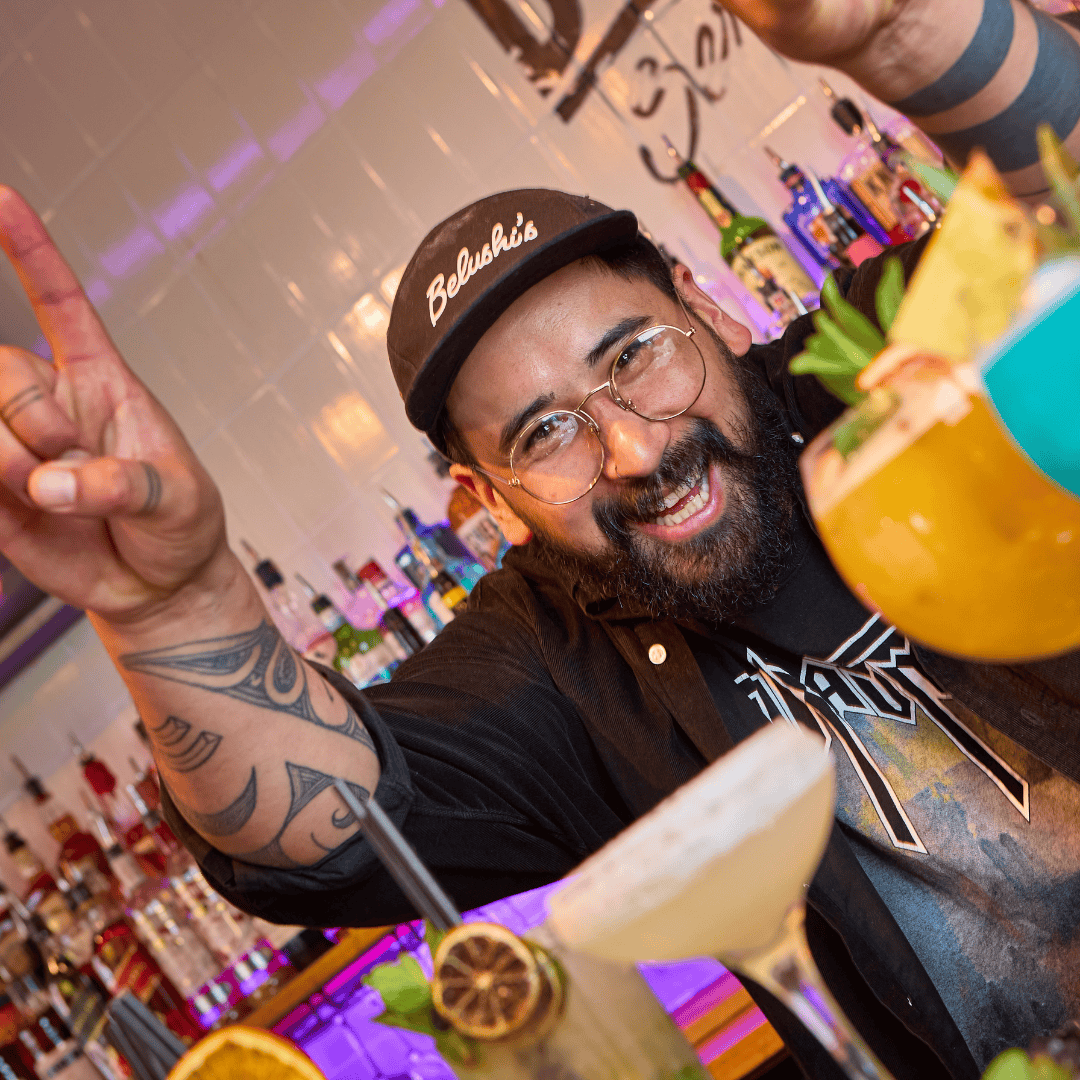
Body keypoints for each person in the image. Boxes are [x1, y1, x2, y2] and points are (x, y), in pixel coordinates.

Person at [0, 0, 1078, 1076]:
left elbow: (1062, 234)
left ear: (705, 304)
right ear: (490, 492)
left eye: (636, 357)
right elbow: (321, 836)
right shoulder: (556, 655)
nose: (632, 451)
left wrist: (911, 36)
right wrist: (174, 612)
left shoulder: (877, 360)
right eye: (545, 432)